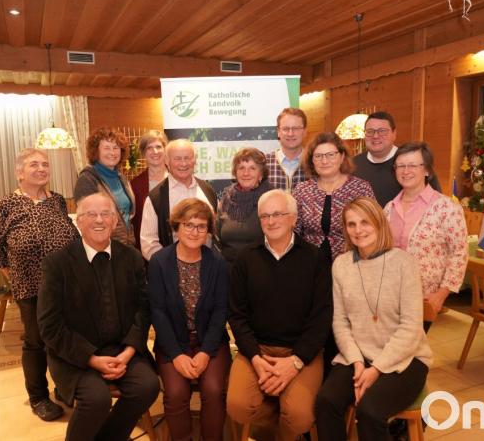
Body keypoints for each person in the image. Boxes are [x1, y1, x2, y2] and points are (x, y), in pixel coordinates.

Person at [37, 192, 160, 441]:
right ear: (78, 221)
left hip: (121, 348)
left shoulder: (132, 258)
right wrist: (92, 359)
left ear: (116, 221)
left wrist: (127, 353)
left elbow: (143, 309)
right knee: (96, 399)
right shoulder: (57, 263)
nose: (99, 220)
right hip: (75, 356)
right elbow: (50, 327)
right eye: (91, 214)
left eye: (106, 214)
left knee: (147, 386)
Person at [315, 197, 432, 441]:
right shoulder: (341, 264)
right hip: (358, 356)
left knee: (370, 411)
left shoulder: (404, 263)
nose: (359, 230)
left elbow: (411, 328)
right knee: (326, 401)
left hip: (406, 359)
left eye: (365, 222)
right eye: (351, 224)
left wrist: (376, 369)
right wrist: (358, 363)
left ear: (379, 223)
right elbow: (340, 323)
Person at [227, 189, 332, 441]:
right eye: (265, 216)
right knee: (237, 406)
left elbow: (321, 317)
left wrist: (295, 362)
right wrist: (254, 358)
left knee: (299, 416)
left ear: (294, 218)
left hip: (300, 351)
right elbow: (237, 315)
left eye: (278, 214)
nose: (271, 221)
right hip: (258, 349)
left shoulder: (315, 258)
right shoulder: (246, 258)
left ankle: (283, 416)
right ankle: (276, 411)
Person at [0, 148, 80, 421]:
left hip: (65, 286)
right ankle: (38, 397)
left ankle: (64, 388)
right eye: (33, 165)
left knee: (65, 339)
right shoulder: (7, 205)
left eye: (45, 164)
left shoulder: (58, 201)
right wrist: (16, 277)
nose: (41, 169)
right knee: (36, 342)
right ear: (19, 173)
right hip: (30, 287)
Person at [148, 199, 231, 441]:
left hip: (210, 342)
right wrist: (176, 354)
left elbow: (220, 310)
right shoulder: (159, 262)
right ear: (177, 227)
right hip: (172, 342)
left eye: (201, 226)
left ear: (208, 231)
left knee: (214, 390)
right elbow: (158, 312)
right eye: (188, 225)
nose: (195, 232)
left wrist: (206, 352)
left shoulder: (217, 263)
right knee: (175, 393)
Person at [385, 142, 468, 331]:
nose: (406, 171)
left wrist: (441, 295)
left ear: (427, 170)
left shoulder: (446, 208)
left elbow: (459, 254)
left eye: (413, 165)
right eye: (400, 166)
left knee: (410, 352)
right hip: (388, 296)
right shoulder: (388, 208)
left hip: (423, 298)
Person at [293, 132, 375, 263]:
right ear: (311, 160)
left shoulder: (360, 188)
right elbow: (294, 231)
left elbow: (373, 227)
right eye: (318, 156)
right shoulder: (302, 190)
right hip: (309, 264)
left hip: (352, 263)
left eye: (331, 155)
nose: (324, 161)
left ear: (342, 156)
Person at [140, 139, 217, 261]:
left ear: (195, 160)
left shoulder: (208, 190)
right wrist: (171, 266)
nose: (183, 164)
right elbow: (148, 243)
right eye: (178, 159)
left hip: (207, 268)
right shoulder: (155, 198)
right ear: (167, 161)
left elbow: (214, 234)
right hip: (171, 271)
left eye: (187, 158)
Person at [351, 111, 441, 208]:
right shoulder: (353, 164)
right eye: (370, 131)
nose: (375, 136)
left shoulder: (413, 162)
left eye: (382, 131)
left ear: (394, 133)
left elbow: (436, 201)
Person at [74, 127, 136, 245]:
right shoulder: (87, 179)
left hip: (126, 245)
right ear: (96, 152)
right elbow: (89, 221)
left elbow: (127, 215)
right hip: (103, 246)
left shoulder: (121, 177)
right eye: (107, 148)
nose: (112, 153)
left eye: (116, 148)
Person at [217, 147, 273, 263]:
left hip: (262, 267)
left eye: (252, 168)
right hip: (228, 269)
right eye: (241, 168)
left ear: (261, 174)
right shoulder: (226, 200)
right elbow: (216, 238)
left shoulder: (271, 199)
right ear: (235, 173)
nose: (246, 173)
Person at [130, 130, 168, 251]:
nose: (155, 152)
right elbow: (135, 221)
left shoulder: (177, 178)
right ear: (143, 153)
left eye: (158, 147)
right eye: (149, 148)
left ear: (165, 150)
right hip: (147, 250)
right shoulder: (135, 185)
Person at [265, 107, 307, 192]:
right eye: (285, 129)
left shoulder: (314, 162)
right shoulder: (264, 163)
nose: (290, 134)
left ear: (305, 131)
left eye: (296, 128)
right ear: (278, 132)